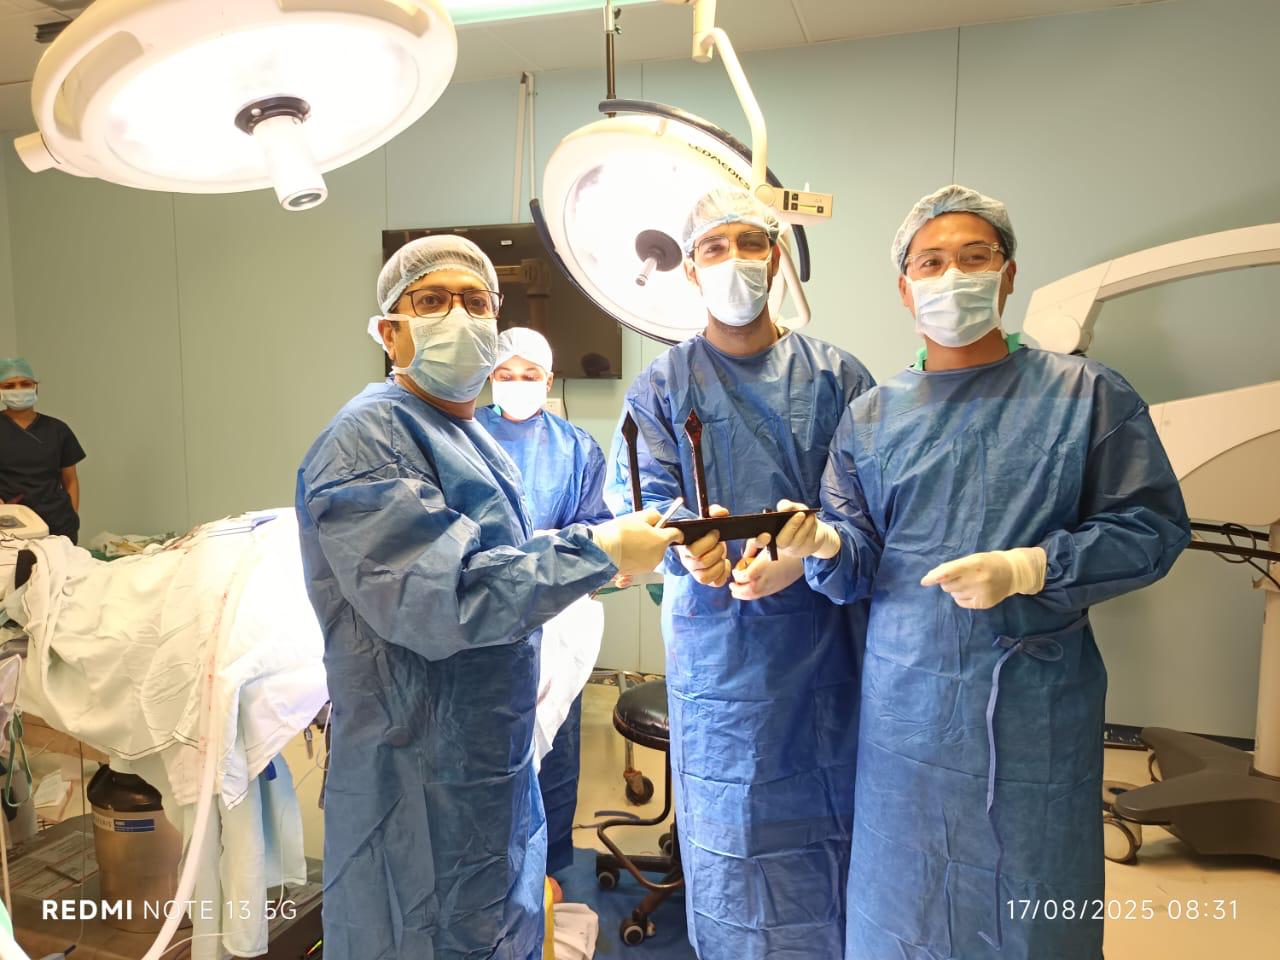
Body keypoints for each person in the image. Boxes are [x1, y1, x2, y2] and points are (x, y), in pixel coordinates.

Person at [774, 184, 1191, 960]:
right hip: (906, 709)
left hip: (1031, 710)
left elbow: (1152, 529)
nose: (952, 275)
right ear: (905, 289)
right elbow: (859, 556)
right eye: (931, 262)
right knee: (902, 898)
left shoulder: (1085, 395)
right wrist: (826, 547)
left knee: (1028, 899)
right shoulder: (872, 418)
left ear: (1008, 275)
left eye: (974, 257)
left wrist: (1033, 566)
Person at [296, 235, 681, 960]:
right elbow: (443, 597)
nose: (458, 316)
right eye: (432, 301)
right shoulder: (367, 440)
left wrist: (615, 551)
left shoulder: (465, 435)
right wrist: (595, 552)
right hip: (412, 777)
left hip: (481, 760)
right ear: (389, 332)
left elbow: (505, 564)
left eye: (475, 302)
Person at [605, 188, 874, 960]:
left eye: (749, 244)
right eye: (713, 248)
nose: (733, 261)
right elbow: (643, 509)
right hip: (716, 658)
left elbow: (866, 516)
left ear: (776, 257)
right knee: (727, 841)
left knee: (826, 836)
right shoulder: (662, 385)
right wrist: (689, 551)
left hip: (823, 656)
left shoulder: (838, 379)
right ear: (691, 270)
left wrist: (804, 556)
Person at [476, 327, 614, 876]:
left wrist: (556, 556)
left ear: (549, 380)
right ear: (490, 377)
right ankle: (487, 874)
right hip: (483, 613)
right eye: (505, 374)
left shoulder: (576, 447)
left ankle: (548, 875)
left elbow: (596, 529)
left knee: (553, 745)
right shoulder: (463, 437)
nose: (517, 383)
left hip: (554, 617)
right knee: (483, 749)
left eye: (529, 375)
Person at [0, 358, 85, 542]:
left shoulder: (58, 429)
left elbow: (70, 480)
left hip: (58, 523)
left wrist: (72, 517)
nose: (18, 390)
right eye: (9, 386)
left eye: (25, 384)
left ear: (36, 387)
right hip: (11, 526)